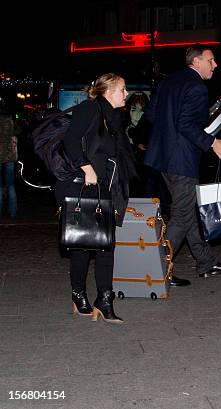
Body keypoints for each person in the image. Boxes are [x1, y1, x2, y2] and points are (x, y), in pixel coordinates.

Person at [144, 43, 221, 286]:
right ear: (196, 62)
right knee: (183, 214)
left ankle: (205, 262)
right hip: (181, 159)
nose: (215, 65)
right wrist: (211, 143)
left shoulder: (168, 81)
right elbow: (186, 124)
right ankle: (158, 268)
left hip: (162, 157)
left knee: (187, 210)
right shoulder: (196, 86)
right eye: (211, 60)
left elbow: (152, 115)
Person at [55, 73, 137, 323]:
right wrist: (86, 167)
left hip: (106, 187)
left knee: (106, 244)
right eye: (123, 89)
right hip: (81, 186)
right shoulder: (89, 109)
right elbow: (69, 141)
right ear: (108, 91)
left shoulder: (114, 118)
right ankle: (78, 295)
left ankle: (105, 298)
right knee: (82, 244)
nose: (126, 94)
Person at [0, 106, 19, 220]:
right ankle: (12, 211)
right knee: (11, 185)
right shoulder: (10, 120)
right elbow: (19, 131)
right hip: (10, 155)